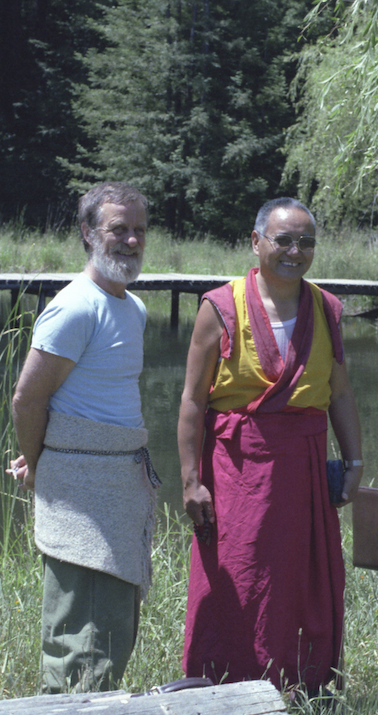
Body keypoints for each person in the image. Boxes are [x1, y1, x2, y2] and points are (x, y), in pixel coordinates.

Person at [177, 197, 363, 695]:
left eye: (306, 242)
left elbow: (340, 393)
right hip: (239, 469)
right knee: (237, 576)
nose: (295, 251)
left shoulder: (325, 308)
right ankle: (221, 688)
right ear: (256, 242)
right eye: (284, 240)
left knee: (303, 580)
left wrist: (355, 460)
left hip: (304, 465)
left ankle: (302, 688)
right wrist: (191, 481)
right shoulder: (220, 306)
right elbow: (194, 400)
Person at [9, 181, 160, 693]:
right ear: (88, 232)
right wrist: (41, 463)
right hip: (81, 497)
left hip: (116, 491)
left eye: (139, 229)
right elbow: (27, 401)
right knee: (81, 645)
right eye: (118, 228)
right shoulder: (76, 306)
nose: (131, 240)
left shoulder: (132, 309)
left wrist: (42, 458)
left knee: (111, 633)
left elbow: (89, 400)